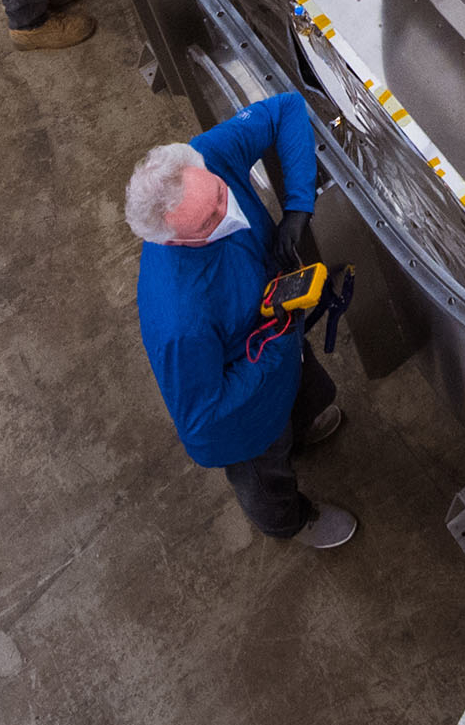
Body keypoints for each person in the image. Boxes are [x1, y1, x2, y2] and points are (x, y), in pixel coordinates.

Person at [124, 94, 355, 551]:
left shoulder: (203, 159)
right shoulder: (179, 318)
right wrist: (273, 344)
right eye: (208, 222)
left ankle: (300, 431)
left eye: (220, 193)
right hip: (247, 409)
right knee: (265, 474)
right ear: (172, 238)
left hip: (280, 344)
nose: (226, 212)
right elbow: (201, 419)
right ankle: (290, 521)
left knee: (305, 398)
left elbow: (286, 108)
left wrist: (298, 207)